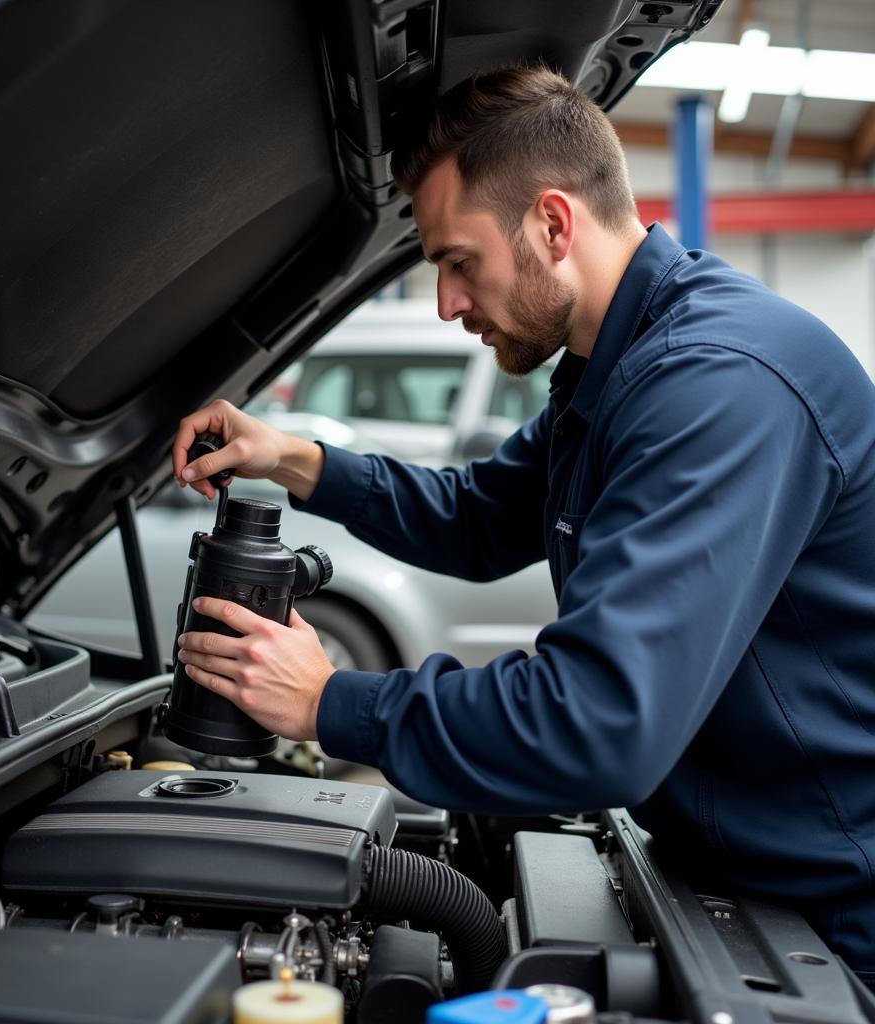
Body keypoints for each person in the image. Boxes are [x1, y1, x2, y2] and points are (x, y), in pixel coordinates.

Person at [171, 66, 875, 981]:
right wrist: (295, 459)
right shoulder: (619, 370)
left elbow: (599, 720)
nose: (447, 303)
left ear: (552, 222)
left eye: (458, 262)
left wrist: (332, 703)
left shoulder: (719, 383)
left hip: (843, 918)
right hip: (738, 875)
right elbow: (474, 520)